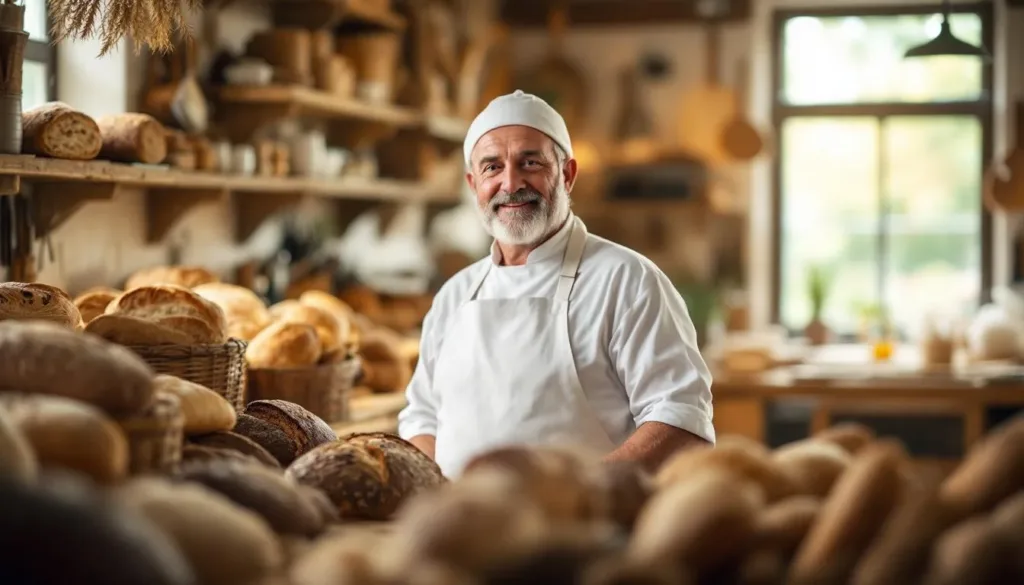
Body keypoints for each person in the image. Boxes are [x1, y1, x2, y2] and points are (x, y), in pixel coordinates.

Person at [397, 90, 715, 477]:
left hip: (585, 514)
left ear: (567, 174)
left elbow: (681, 419)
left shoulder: (626, 280)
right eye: (492, 167)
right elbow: (422, 417)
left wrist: (580, 493)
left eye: (530, 163)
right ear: (472, 183)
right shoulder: (454, 296)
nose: (511, 183)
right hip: (463, 512)